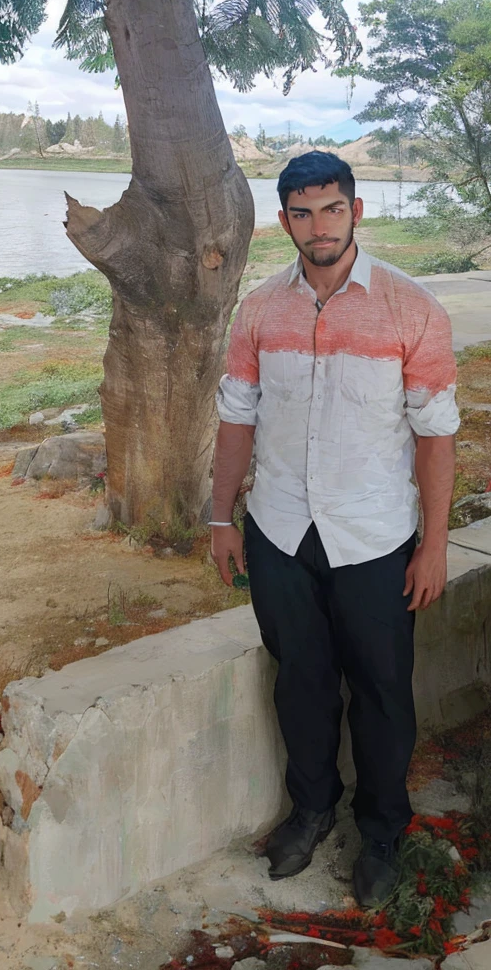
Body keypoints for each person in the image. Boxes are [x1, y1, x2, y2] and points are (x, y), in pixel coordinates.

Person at [210, 151, 459, 908]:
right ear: (283, 219)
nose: (319, 227)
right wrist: (222, 516)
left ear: (357, 211)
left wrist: (436, 543)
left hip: (375, 537)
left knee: (383, 691)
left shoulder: (410, 308)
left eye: (332, 209)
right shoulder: (258, 308)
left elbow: (436, 432)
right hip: (281, 531)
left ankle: (381, 830)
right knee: (301, 684)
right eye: (302, 212)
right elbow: (237, 415)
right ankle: (312, 808)